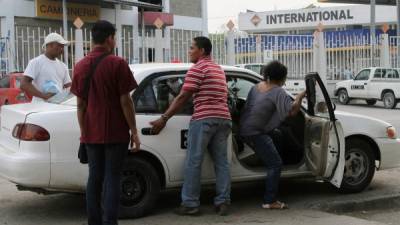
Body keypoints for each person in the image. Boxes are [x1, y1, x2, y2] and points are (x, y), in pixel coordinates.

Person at [150, 36, 232, 216]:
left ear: (202, 51)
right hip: (224, 119)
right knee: (222, 162)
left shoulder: (198, 68)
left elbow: (182, 97)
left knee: (193, 162)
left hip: (204, 119)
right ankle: (223, 201)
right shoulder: (218, 69)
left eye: (192, 47)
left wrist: (164, 118)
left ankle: (190, 204)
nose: (189, 51)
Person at [70, 20, 140, 225]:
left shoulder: (80, 65)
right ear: (110, 38)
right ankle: (110, 222)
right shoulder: (117, 63)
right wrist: (134, 131)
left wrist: (84, 132)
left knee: (94, 178)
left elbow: (80, 105)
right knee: (112, 178)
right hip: (116, 133)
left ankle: (94, 221)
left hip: (91, 133)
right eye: (115, 37)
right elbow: (125, 101)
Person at [240, 60, 306, 209]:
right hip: (256, 133)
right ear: (282, 77)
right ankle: (270, 200)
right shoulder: (278, 91)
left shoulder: (255, 87)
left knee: (278, 134)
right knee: (276, 164)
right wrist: (299, 97)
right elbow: (292, 112)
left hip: (244, 128)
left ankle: (268, 165)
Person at [21, 32, 71, 102]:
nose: (62, 49)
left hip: (58, 107)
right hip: (39, 108)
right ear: (50, 45)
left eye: (63, 46)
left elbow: (69, 86)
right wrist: (43, 96)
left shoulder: (63, 66)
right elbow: (24, 84)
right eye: (60, 46)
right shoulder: (36, 62)